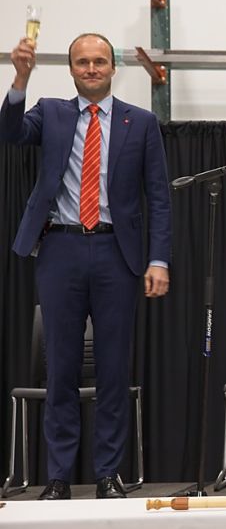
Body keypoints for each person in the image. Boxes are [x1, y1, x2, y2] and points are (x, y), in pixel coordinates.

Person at [1, 33, 172, 499]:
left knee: (114, 369)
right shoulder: (52, 113)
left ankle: (107, 474)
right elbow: (11, 133)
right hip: (60, 249)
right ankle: (57, 476)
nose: (91, 69)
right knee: (61, 368)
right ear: (71, 70)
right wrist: (20, 76)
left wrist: (158, 258)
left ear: (113, 68)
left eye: (99, 61)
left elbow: (158, 195)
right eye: (82, 62)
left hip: (118, 253)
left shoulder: (141, 123)